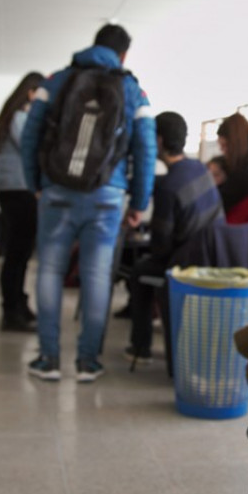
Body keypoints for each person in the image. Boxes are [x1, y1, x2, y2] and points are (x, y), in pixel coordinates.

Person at [21, 23, 156, 382]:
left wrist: (35, 183)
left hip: (56, 191)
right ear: (124, 54)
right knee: (97, 276)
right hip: (107, 195)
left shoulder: (56, 80)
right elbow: (145, 149)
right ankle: (87, 362)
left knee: (49, 271)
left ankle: (48, 359)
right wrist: (139, 202)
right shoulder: (132, 89)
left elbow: (30, 134)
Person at [126, 111, 224, 364]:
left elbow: (161, 245)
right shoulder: (199, 168)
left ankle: (140, 347)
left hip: (186, 263)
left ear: (158, 140)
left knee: (138, 271)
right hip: (216, 254)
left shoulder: (169, 187)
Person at [0, 71, 45, 332]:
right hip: (20, 191)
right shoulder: (21, 117)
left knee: (18, 253)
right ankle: (12, 311)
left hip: (13, 191)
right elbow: (31, 148)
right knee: (18, 253)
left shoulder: (10, 117)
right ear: (31, 92)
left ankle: (17, 306)